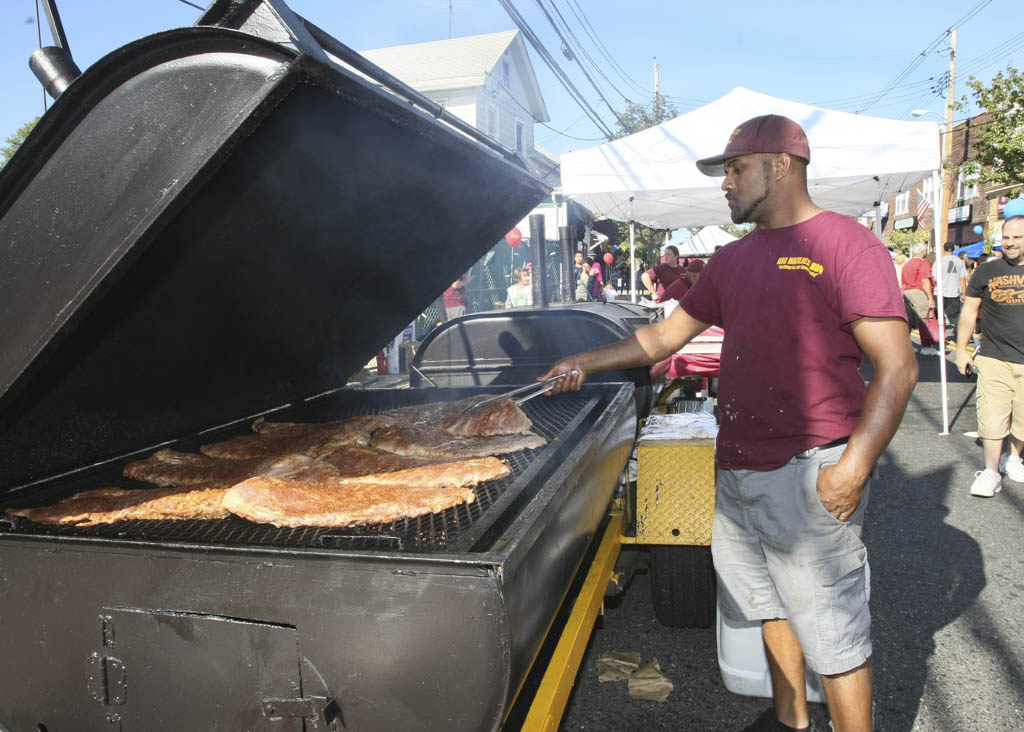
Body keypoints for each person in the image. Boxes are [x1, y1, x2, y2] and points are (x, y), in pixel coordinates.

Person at [539, 114, 917, 732]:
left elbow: (897, 367)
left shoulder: (847, 244)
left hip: (811, 468)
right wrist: (586, 360)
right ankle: (791, 720)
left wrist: (855, 465)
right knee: (769, 605)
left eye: (736, 169)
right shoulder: (731, 260)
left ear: (782, 165)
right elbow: (663, 337)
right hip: (737, 466)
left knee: (833, 627)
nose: (726, 184)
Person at [955, 216, 1024, 496]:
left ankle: (1015, 457)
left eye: (1017, 237)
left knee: (1021, 416)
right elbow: (970, 311)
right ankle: (991, 471)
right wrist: (961, 350)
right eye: (1006, 237)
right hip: (994, 356)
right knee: (993, 416)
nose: (1010, 243)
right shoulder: (986, 271)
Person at [901, 243, 938, 355]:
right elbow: (925, 281)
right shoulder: (923, 263)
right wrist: (930, 298)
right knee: (925, 318)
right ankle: (927, 346)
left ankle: (905, 345)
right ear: (922, 252)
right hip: (918, 291)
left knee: (909, 320)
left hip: (907, 291)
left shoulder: (907, 264)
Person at [933, 241, 968, 342]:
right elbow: (962, 279)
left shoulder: (939, 261)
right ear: (954, 249)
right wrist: (964, 293)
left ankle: (940, 336)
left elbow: (935, 278)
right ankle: (959, 338)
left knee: (939, 315)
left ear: (944, 249)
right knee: (954, 317)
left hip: (940, 292)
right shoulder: (959, 261)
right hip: (953, 292)